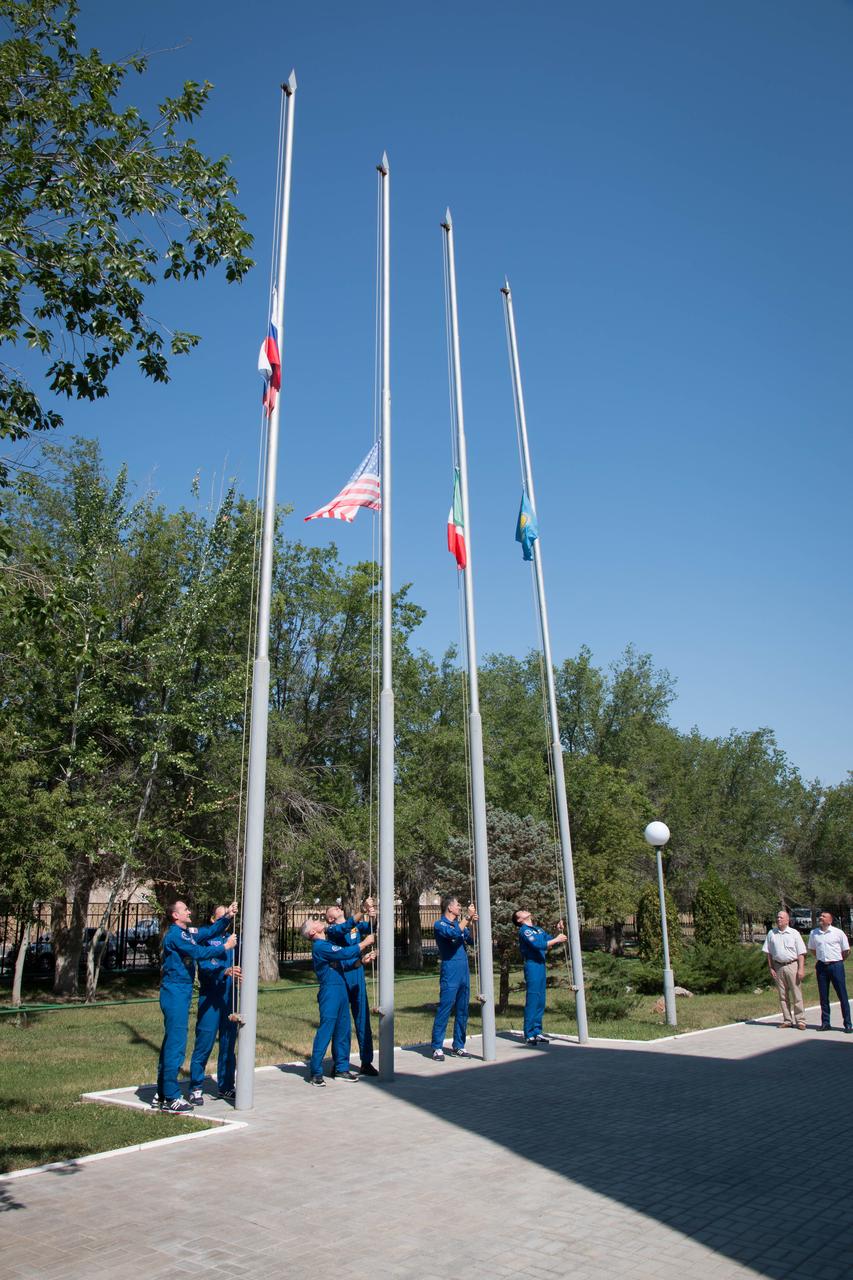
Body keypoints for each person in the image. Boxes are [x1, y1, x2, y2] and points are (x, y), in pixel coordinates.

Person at [155, 899, 237, 1112]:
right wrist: (225, 947)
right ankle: (172, 1096)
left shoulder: (187, 932)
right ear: (175, 915)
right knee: (176, 1043)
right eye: (185, 910)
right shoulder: (175, 935)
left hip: (181, 991)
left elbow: (208, 932)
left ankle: (162, 1092)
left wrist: (227, 916)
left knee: (171, 1042)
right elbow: (198, 953)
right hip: (175, 990)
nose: (189, 911)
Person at [302, 916, 375, 1086]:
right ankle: (316, 1072)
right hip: (330, 991)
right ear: (313, 931)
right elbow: (344, 953)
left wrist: (361, 962)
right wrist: (364, 944)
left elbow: (343, 965)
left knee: (343, 1030)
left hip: (341, 989)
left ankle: (341, 1068)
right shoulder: (320, 946)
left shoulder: (326, 945)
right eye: (315, 921)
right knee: (326, 1030)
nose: (319, 921)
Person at [188, 906, 242, 1104]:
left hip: (229, 998)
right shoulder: (205, 939)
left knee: (228, 1044)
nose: (228, 919)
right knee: (204, 1043)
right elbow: (205, 966)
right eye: (223, 915)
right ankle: (196, 1087)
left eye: (230, 915)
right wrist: (224, 971)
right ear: (213, 919)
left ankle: (226, 1086)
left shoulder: (234, 940)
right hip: (210, 999)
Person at [325, 897, 378, 1076]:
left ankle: (366, 1061)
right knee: (342, 1022)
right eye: (334, 908)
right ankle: (340, 1064)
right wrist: (362, 910)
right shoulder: (332, 930)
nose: (338, 907)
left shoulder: (354, 926)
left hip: (357, 973)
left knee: (363, 1019)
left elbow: (370, 927)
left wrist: (372, 915)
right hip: (340, 976)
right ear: (330, 918)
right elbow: (344, 928)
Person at [430, 896, 477, 1062]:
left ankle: (459, 1045)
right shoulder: (440, 924)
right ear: (449, 907)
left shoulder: (461, 924)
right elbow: (454, 933)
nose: (460, 907)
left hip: (464, 970)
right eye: (458, 905)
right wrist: (466, 919)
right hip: (450, 970)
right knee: (445, 1007)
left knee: (463, 1009)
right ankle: (437, 1047)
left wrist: (472, 923)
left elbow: (471, 940)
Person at [512, 908, 567, 1046]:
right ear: (519, 919)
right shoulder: (525, 930)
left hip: (541, 965)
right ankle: (529, 1033)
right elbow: (538, 945)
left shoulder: (538, 929)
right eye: (521, 911)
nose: (525, 910)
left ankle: (537, 1031)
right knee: (533, 998)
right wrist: (557, 939)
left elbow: (548, 940)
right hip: (532, 966)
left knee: (541, 1000)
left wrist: (557, 931)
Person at [761, 909, 806, 1030]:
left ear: (787, 920)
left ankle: (800, 1020)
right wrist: (771, 967)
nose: (778, 919)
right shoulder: (772, 933)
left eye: (781, 917)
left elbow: (801, 953)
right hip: (778, 966)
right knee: (782, 995)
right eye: (777, 917)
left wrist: (801, 969)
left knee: (796, 993)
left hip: (792, 965)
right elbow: (769, 953)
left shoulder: (794, 933)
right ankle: (787, 1020)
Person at [808, 911, 852, 1033]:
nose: (821, 918)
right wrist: (822, 959)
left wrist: (838, 960)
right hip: (822, 966)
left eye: (824, 916)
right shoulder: (814, 933)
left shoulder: (838, 933)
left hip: (836, 965)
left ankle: (848, 1024)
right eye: (820, 916)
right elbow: (812, 949)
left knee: (842, 995)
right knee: (823, 996)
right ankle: (826, 1023)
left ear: (830, 920)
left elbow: (846, 950)